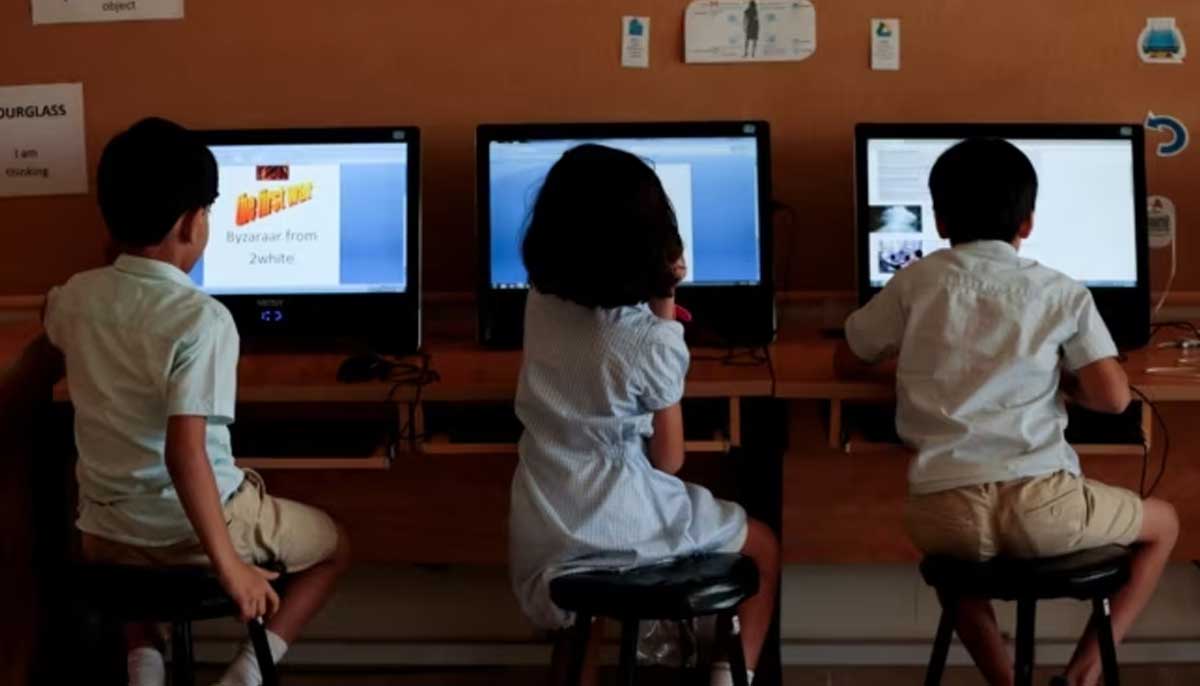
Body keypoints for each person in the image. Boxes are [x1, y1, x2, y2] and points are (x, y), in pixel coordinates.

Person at [835, 138, 1178, 686]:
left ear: (941, 221)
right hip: (1045, 508)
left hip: (943, 511)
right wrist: (1062, 385)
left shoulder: (914, 280)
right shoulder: (1062, 292)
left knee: (956, 559)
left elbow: (847, 358)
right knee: (1166, 524)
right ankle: (1080, 677)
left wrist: (910, 368)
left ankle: (1003, 680)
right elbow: (1114, 399)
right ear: (1029, 223)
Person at [43, 118, 351, 686]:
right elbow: (185, 455)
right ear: (192, 222)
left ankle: (145, 664)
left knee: (132, 560)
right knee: (334, 545)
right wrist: (232, 569)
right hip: (195, 537)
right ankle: (249, 673)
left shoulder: (72, 298)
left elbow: (59, 327)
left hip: (104, 537)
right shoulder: (203, 320)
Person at [508, 144, 779, 686]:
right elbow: (669, 460)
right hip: (620, 523)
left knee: (584, 618)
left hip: (546, 524)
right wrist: (665, 302)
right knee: (763, 545)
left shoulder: (539, 301)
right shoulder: (649, 344)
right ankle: (731, 677)